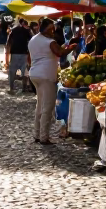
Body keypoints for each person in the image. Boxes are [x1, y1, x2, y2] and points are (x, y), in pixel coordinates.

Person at [28, 17, 77, 145]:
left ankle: (37, 134)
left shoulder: (33, 39)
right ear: (47, 29)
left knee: (40, 105)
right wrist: (71, 47)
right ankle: (44, 137)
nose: (53, 31)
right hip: (46, 76)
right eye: (52, 29)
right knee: (47, 107)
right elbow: (59, 53)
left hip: (35, 74)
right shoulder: (49, 41)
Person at [5, 18, 32, 93]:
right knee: (25, 72)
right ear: (24, 23)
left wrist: (7, 54)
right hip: (24, 53)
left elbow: (8, 42)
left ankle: (11, 88)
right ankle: (24, 88)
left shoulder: (13, 30)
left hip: (14, 53)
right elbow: (31, 41)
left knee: (12, 71)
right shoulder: (27, 31)